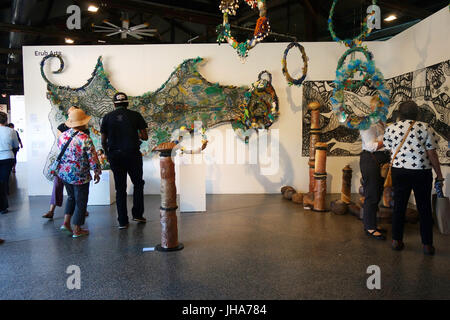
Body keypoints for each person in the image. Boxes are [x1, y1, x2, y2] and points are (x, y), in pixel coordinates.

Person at [383, 101, 444, 255]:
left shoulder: (391, 128)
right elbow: (432, 153)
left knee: (399, 206)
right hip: (421, 171)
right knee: (424, 207)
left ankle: (396, 241)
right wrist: (439, 174)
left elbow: (390, 150)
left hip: (399, 171)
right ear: (417, 113)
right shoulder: (425, 127)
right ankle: (427, 245)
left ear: (399, 114)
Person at [101, 92, 148, 229]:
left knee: (120, 188)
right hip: (133, 154)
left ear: (114, 104)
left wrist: (107, 154)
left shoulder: (107, 117)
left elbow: (103, 140)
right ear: (127, 103)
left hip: (115, 156)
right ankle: (138, 214)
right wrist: (133, 133)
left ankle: (122, 221)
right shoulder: (136, 115)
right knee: (138, 184)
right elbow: (144, 137)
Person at [57, 109, 101, 238]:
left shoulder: (62, 136)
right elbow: (92, 157)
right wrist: (97, 172)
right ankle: (77, 229)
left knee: (71, 197)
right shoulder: (84, 138)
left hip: (64, 173)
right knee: (81, 201)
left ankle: (66, 223)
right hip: (80, 175)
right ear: (82, 123)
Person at [43, 106, 90, 219]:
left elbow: (60, 143)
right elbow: (89, 152)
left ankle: (70, 219)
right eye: (70, 112)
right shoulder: (81, 134)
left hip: (64, 165)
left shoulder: (74, 132)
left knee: (73, 195)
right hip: (74, 167)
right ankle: (54, 211)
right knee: (71, 191)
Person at [359, 96, 390, 240]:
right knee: (371, 195)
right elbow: (371, 146)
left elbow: (380, 142)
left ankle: (372, 224)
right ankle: (370, 227)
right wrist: (388, 140)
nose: (383, 111)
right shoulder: (367, 124)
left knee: (377, 193)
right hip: (370, 161)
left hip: (379, 160)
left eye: (384, 109)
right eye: (380, 109)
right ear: (373, 108)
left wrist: (382, 141)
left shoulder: (381, 123)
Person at [0, 112, 19, 215]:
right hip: (7, 158)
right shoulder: (11, 131)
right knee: (3, 181)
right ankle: (3, 207)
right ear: (6, 120)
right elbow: (15, 145)